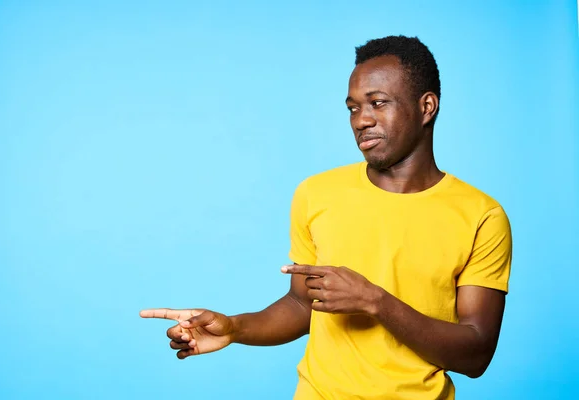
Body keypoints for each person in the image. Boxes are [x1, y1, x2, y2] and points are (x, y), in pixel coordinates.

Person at [140, 35, 512, 399]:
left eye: (377, 103)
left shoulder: (481, 216)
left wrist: (376, 302)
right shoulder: (317, 194)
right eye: (353, 108)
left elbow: (476, 354)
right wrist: (235, 328)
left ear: (426, 106)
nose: (361, 120)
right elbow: (302, 306)